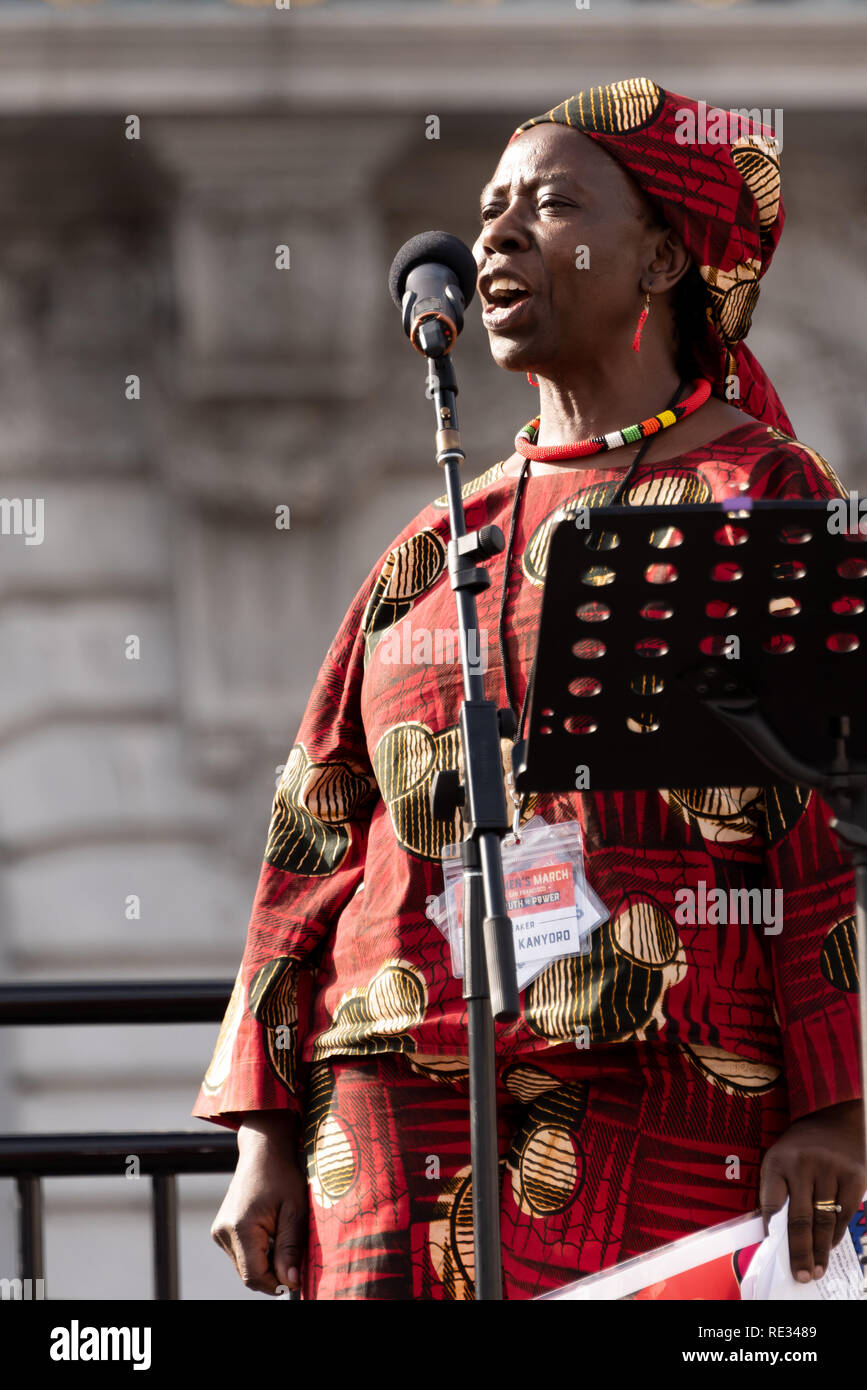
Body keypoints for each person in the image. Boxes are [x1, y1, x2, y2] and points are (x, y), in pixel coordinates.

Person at [194, 77, 864, 1301]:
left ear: (663, 253)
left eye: (551, 204)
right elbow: (311, 840)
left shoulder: (755, 492)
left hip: (663, 1122)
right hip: (390, 1140)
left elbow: (821, 830)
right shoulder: (434, 544)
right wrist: (265, 1135)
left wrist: (840, 1111)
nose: (496, 234)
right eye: (491, 207)